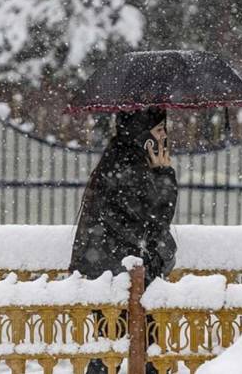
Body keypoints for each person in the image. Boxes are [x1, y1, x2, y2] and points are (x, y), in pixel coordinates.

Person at [69, 107, 177, 374]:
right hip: (122, 276)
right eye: (159, 129)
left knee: (111, 352)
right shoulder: (129, 164)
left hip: (111, 273)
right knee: (139, 352)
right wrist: (165, 174)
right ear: (143, 131)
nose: (164, 135)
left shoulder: (121, 158)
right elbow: (153, 220)